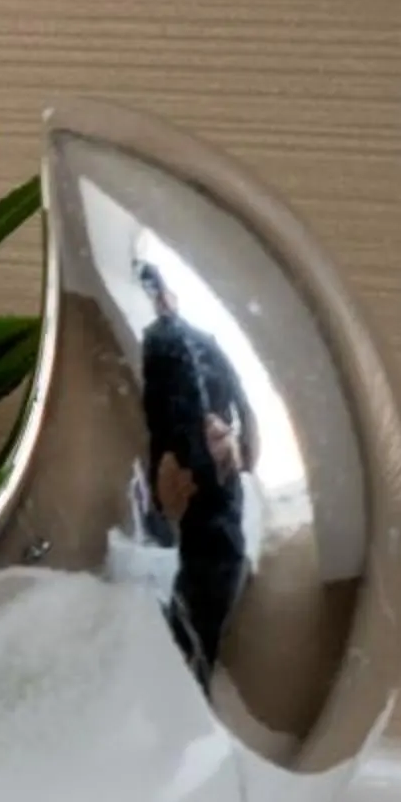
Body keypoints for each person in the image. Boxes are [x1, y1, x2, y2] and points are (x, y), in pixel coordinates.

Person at [136, 262, 256, 679]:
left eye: (161, 291)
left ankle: (202, 656)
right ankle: (195, 659)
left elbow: (235, 391)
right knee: (195, 561)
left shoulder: (189, 338)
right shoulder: (155, 342)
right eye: (153, 293)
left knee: (217, 556)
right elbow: (155, 411)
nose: (162, 300)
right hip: (186, 466)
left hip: (210, 463)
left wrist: (242, 439)